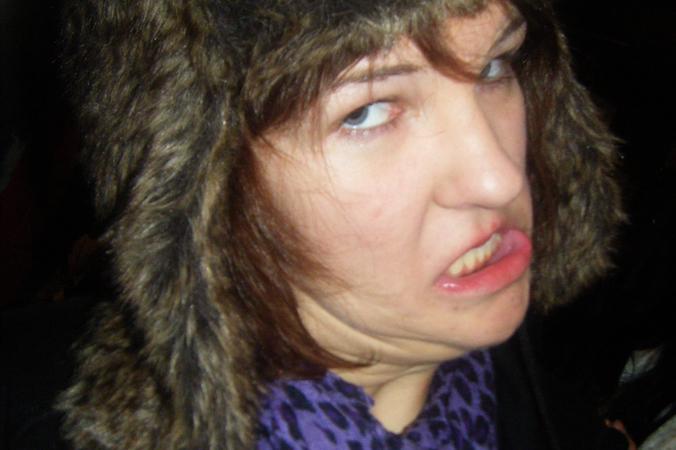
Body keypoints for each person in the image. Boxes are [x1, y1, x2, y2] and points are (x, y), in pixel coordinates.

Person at [1, 0, 628, 449]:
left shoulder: (559, 415)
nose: (501, 178)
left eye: (493, 67)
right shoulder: (24, 413)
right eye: (366, 111)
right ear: (203, 194)